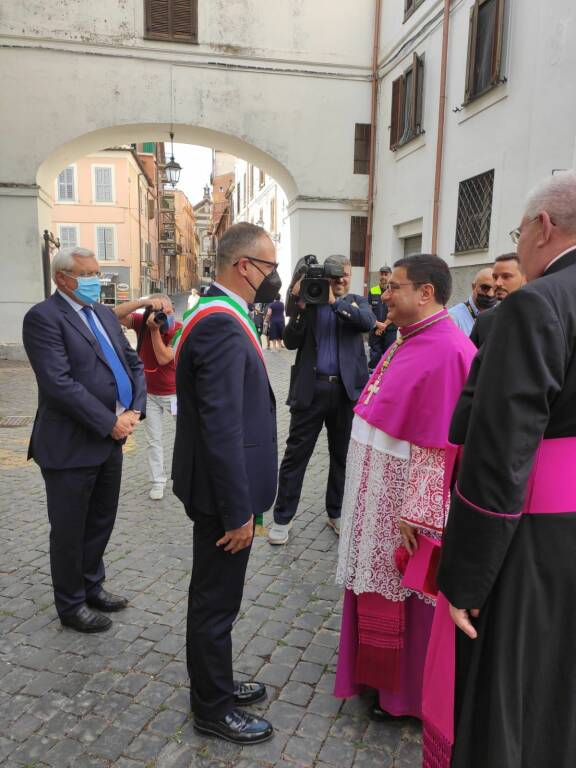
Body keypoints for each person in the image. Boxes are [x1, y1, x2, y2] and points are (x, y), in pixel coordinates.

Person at [423, 171, 576, 768]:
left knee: (512, 690)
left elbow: (498, 455)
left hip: (536, 537)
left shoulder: (537, 304)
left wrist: (464, 578)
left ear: (542, 227)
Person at [334, 254, 475, 720]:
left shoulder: (448, 349)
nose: (384, 295)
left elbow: (441, 444)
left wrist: (419, 512)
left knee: (407, 595)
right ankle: (374, 679)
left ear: (426, 293)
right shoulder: (407, 338)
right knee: (376, 587)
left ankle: (404, 698)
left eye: (394, 287)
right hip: (376, 496)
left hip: (404, 507)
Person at [172, 222, 280, 745]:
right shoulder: (219, 322)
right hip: (222, 496)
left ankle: (215, 680)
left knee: (218, 599)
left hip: (219, 487)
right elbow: (221, 426)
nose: (274, 277)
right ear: (245, 267)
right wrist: (240, 512)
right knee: (215, 602)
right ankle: (211, 707)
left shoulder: (220, 313)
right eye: (270, 267)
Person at [22, 247, 146, 633]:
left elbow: (133, 362)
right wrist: (108, 422)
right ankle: (71, 604)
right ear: (62, 278)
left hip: (111, 439)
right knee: (70, 528)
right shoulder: (43, 318)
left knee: (100, 521)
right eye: (86, 274)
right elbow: (58, 384)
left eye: (97, 273)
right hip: (70, 444)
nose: (96, 280)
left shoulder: (104, 314)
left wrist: (134, 409)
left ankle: (92, 586)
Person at [268, 255, 374, 545]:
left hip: (345, 394)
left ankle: (336, 512)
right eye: (336, 276)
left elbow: (367, 323)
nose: (341, 281)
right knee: (295, 457)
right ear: (325, 276)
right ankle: (282, 518)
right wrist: (301, 309)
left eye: (346, 276)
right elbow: (290, 341)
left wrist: (334, 303)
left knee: (342, 456)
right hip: (310, 391)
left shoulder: (356, 302)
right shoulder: (310, 303)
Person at [114, 295, 182, 500]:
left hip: (175, 394)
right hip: (149, 393)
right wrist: (143, 303)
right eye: (161, 313)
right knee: (154, 440)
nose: (165, 317)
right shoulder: (142, 322)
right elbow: (112, 315)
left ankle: (188, 477)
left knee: (187, 436)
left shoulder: (179, 328)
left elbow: (163, 358)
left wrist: (155, 331)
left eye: (168, 313)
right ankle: (157, 482)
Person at [469, 253, 526, 347]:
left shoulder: (538, 318)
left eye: (506, 276)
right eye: (495, 277)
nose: (497, 283)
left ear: (524, 278)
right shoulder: (484, 320)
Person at [448, 267, 496, 335]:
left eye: (495, 288)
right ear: (473, 287)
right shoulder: (454, 317)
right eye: (485, 288)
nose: (490, 294)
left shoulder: (502, 315)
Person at [367, 266, 397, 372]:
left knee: (389, 355)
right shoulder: (373, 290)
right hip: (375, 329)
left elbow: (396, 310)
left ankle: (386, 378)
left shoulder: (395, 291)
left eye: (386, 274)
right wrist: (377, 324)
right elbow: (368, 310)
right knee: (375, 354)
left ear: (390, 276)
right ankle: (372, 376)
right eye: (382, 274)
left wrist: (383, 325)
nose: (383, 277)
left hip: (390, 329)